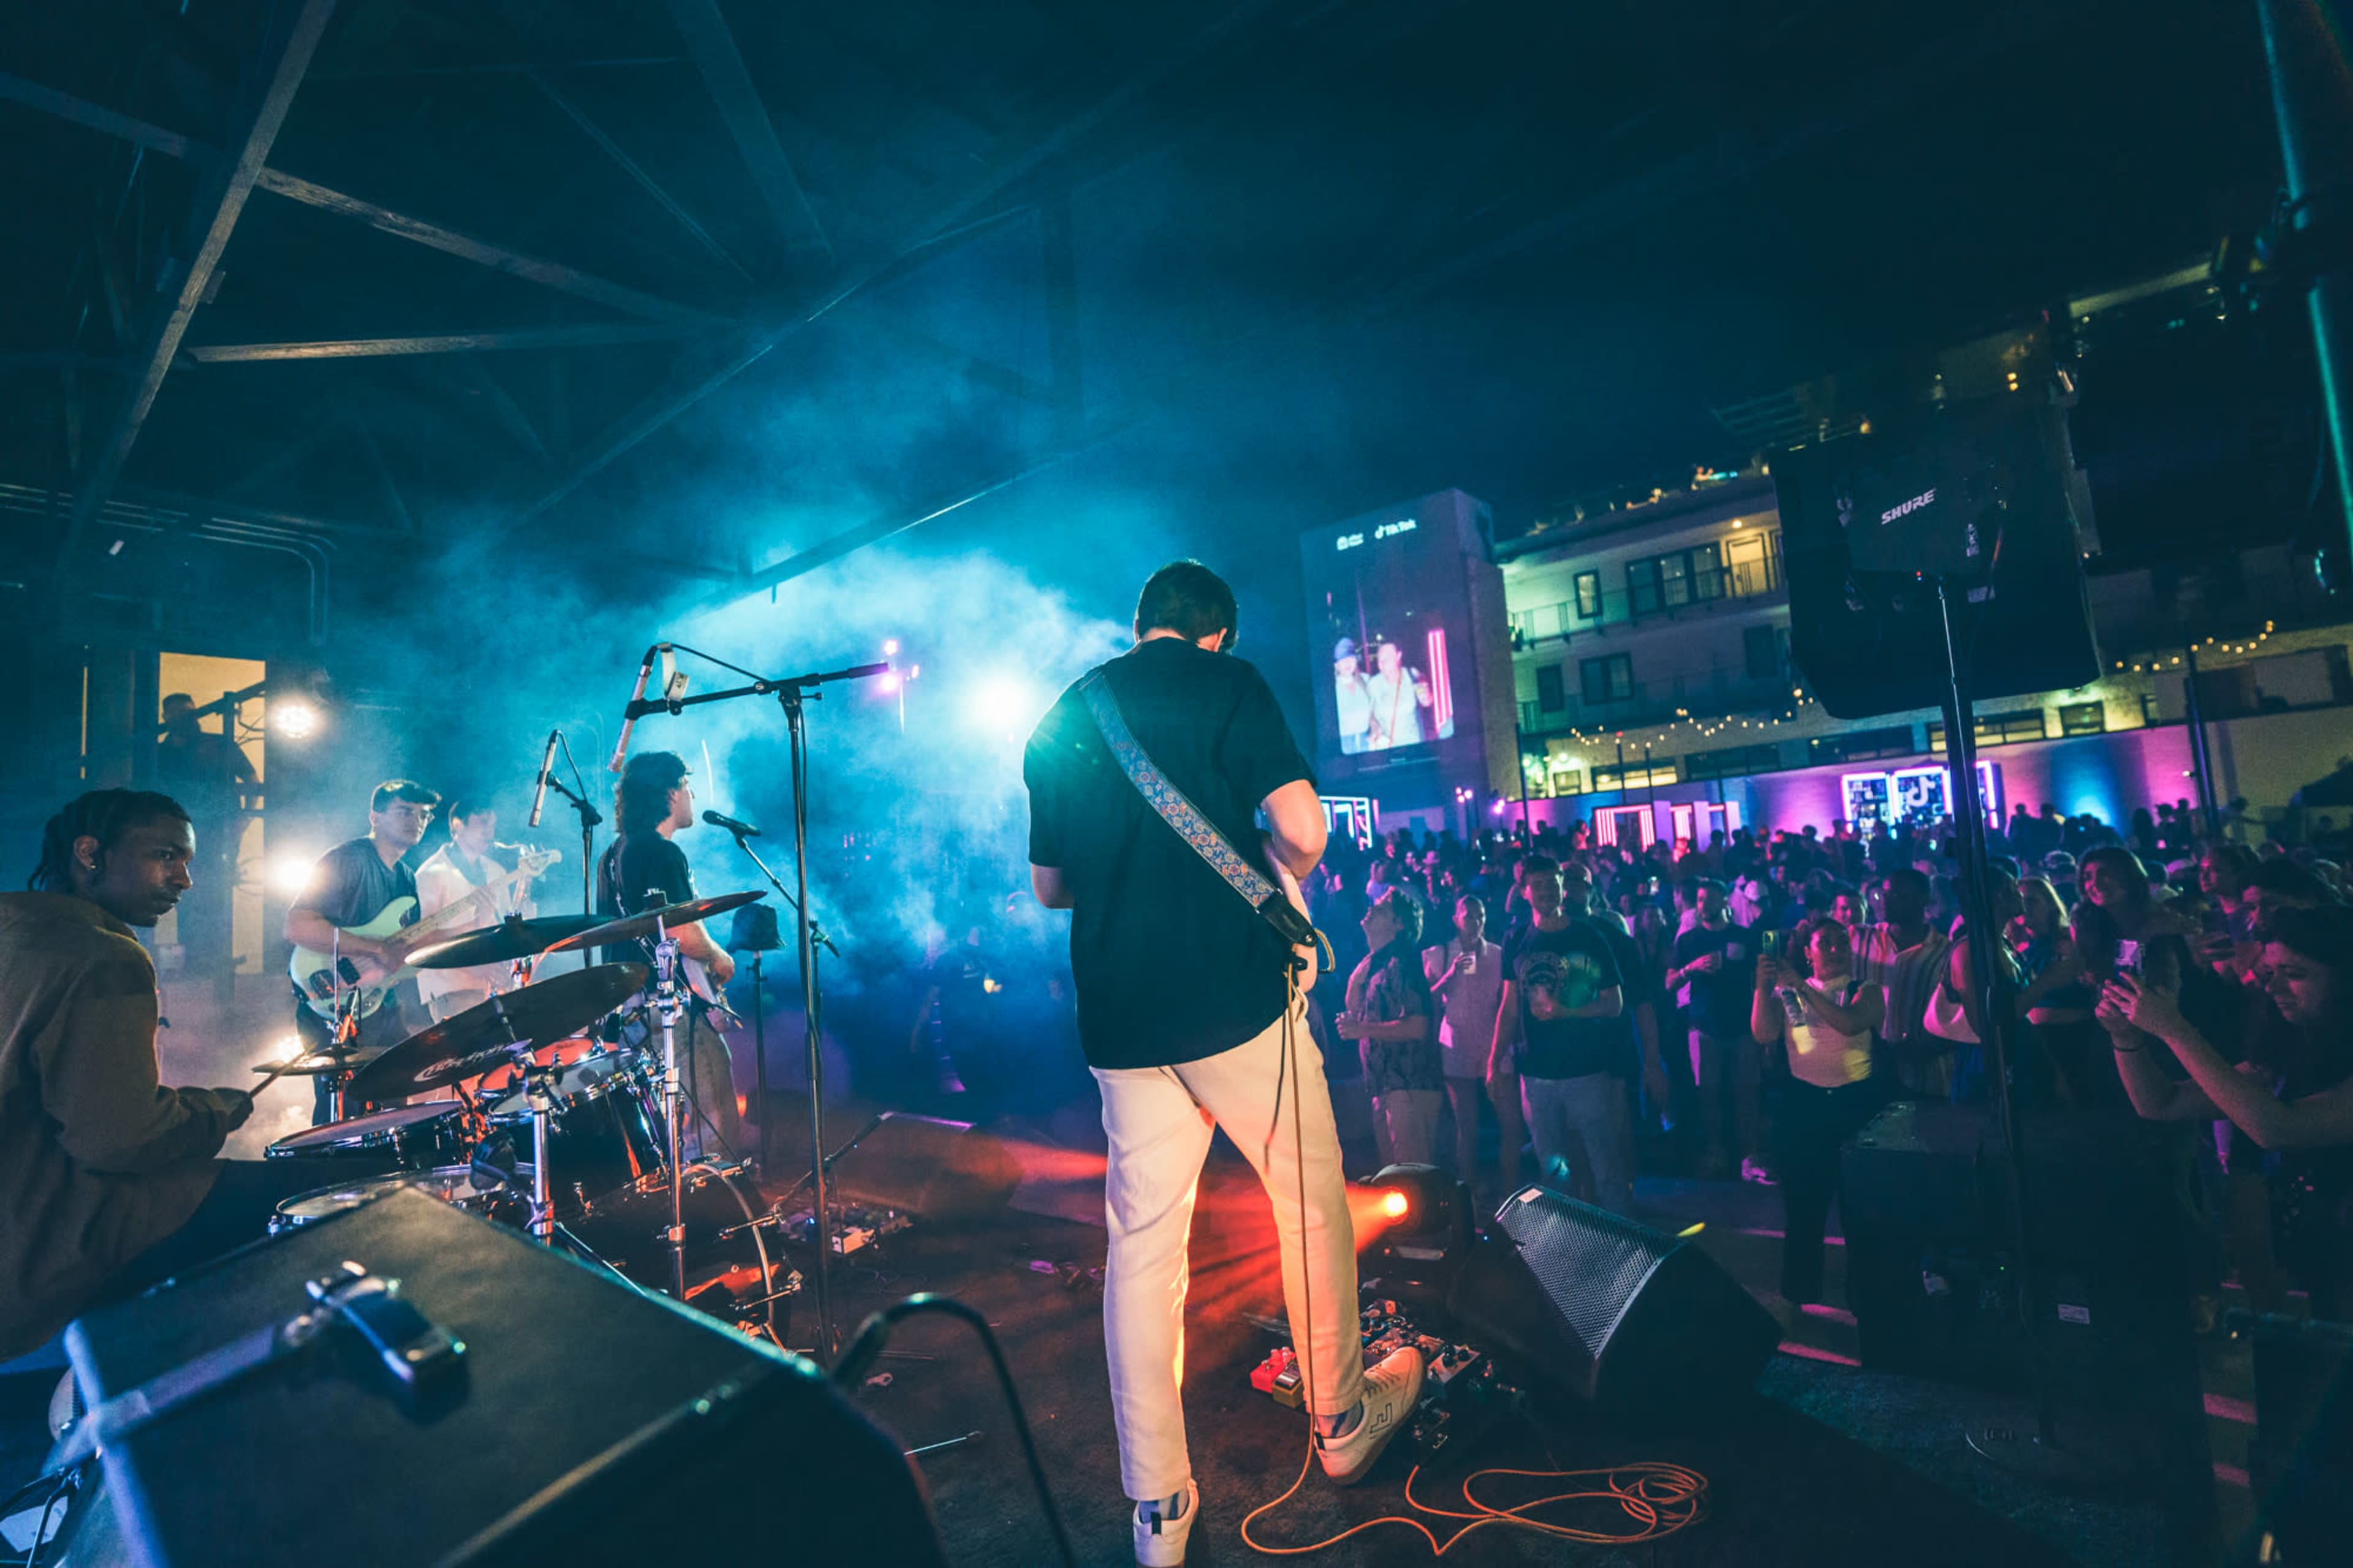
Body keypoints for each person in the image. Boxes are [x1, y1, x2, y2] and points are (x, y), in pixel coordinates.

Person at [1024, 561, 1422, 1562]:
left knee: (1144, 1250)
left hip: (1121, 1016)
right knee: (1308, 1200)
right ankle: (1339, 1422)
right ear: (1218, 633)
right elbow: (1301, 829)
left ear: (1139, 623)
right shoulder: (1232, 685)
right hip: (1235, 1002)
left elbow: (1049, 885)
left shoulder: (1068, 709)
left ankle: (1156, 1506)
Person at [1, 791, 363, 1359]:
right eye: (166, 856)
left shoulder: (15, 930)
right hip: (50, 1237)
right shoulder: (101, 957)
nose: (185, 880)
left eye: (188, 861)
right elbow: (118, 1139)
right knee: (327, 1195)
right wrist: (212, 1111)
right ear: (90, 853)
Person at [2104, 905, 2353, 1319]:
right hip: (2309, 1273)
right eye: (2271, 974)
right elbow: (2160, 1102)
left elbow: (2275, 1127)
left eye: (2295, 973)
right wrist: (2126, 1037)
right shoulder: (2288, 1053)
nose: (2275, 989)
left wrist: (2173, 1028)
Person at [594, 751, 741, 1157]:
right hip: (673, 1013)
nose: (692, 794)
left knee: (670, 1131)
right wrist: (717, 955)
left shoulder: (610, 856)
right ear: (671, 793)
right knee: (710, 1128)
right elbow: (682, 933)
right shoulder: (663, 852)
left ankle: (683, 1213)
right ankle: (717, 1213)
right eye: (687, 785)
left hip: (632, 1014)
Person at [1751, 915, 1887, 1316]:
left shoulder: (1866, 989)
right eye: (1824, 942)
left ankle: (1866, 1300)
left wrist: (1800, 988)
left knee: (1859, 1210)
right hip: (1805, 1107)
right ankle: (1797, 1295)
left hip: (1856, 1107)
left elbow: (1849, 1024)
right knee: (1804, 1207)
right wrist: (1763, 985)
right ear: (1807, 952)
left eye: (1841, 941)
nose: (1835, 947)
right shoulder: (1789, 992)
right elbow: (1762, 1033)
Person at [284, 779, 441, 1123]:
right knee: (342, 1112)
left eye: (424, 815)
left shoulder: (406, 877)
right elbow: (297, 926)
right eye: (405, 812)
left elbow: (395, 952)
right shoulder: (347, 859)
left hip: (380, 1003)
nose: (417, 820)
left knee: (395, 1104)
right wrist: (375, 948)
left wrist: (454, 935)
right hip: (334, 1002)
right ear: (375, 817)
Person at [1488, 854, 1631, 1211]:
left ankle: (1622, 1242)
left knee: (1605, 1166)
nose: (1547, 891)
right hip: (1536, 1073)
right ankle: (1567, 1247)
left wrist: (1569, 1011)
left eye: (1553, 883)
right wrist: (1494, 1061)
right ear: (1523, 892)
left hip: (1586, 1070)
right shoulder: (1516, 939)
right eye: (1538, 885)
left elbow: (1614, 1003)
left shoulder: (1589, 936)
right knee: (1552, 1170)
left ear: (1564, 888)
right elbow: (1509, 1005)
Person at [152, 693, 257, 1002]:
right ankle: (195, 960)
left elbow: (251, 779)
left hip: (218, 831)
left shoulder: (219, 744)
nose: (184, 720)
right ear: (166, 717)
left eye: (188, 714)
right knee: (183, 893)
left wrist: (245, 819)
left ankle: (216, 958)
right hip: (178, 836)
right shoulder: (161, 753)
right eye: (176, 714)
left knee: (218, 892)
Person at [1667, 878, 1763, 1181]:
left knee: (1746, 1092)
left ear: (1725, 903)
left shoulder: (1745, 937)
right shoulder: (1688, 940)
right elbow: (1670, 982)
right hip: (1703, 1026)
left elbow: (1763, 977)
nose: (1704, 905)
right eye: (1699, 900)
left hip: (1743, 1025)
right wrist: (1690, 969)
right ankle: (1716, 1151)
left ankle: (1750, 1156)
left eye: (1710, 900)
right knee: (1708, 1093)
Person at [1338, 888, 1442, 1165]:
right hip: (1384, 1084)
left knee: (1413, 1176)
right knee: (1396, 1179)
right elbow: (1355, 1007)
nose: (1372, 908)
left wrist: (1364, 1030)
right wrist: (1355, 982)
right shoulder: (1375, 963)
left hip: (1409, 1084)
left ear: (1399, 925)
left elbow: (1418, 1026)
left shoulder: (1403, 962)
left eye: (1383, 908)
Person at [412, 798, 539, 1023]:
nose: (490, 832)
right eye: (482, 823)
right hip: (452, 990)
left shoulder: (496, 871)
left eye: (492, 825)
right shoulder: (431, 874)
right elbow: (421, 941)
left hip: (491, 989)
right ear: (457, 825)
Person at [1425, 893, 1505, 1192]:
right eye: (1469, 916)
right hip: (1455, 1045)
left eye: (1480, 916)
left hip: (1491, 1044)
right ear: (1456, 919)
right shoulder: (1439, 954)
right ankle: (1467, 1189)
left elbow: (1505, 1000)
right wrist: (1450, 973)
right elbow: (1427, 998)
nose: (1476, 922)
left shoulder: (1497, 954)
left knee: (1508, 1121)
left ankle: (1507, 1187)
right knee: (1466, 1125)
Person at [1853, 868, 1951, 1097]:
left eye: (1898, 896)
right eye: (1884, 895)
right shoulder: (1859, 939)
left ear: (1923, 900)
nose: (1886, 902)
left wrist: (1929, 1046)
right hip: (1869, 1075)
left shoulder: (1944, 953)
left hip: (1926, 1078)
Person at [1332, 638, 1372, 754]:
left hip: (1367, 740)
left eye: (1351, 658)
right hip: (1343, 743)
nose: (1348, 663)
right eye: (1343, 660)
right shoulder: (1332, 687)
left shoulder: (1366, 680)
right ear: (1336, 665)